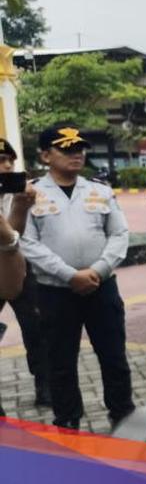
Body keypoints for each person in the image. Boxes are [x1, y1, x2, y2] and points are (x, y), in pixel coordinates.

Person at [21, 126, 134, 429]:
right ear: (46, 156)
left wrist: (98, 270)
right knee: (60, 362)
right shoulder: (31, 194)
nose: (77, 154)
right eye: (67, 149)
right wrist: (70, 275)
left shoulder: (100, 190)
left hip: (101, 287)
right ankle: (68, 420)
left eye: (80, 148)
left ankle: (123, 415)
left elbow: (119, 234)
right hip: (55, 292)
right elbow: (27, 242)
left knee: (114, 357)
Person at [0, 137, 50, 408]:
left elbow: (15, 238)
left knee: (36, 327)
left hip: (20, 265)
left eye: (10, 160)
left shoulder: (23, 193)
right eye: (1, 161)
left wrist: (20, 208)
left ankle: (45, 384)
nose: (8, 166)